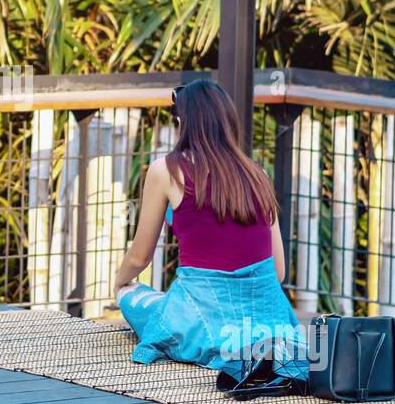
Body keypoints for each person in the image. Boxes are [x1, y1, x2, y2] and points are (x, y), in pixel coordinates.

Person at [112, 79, 307, 379]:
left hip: (199, 322)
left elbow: (140, 257)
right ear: (228, 121)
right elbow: (278, 273)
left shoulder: (166, 170)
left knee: (135, 295)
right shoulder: (257, 174)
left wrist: (119, 283)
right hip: (271, 325)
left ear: (182, 122)